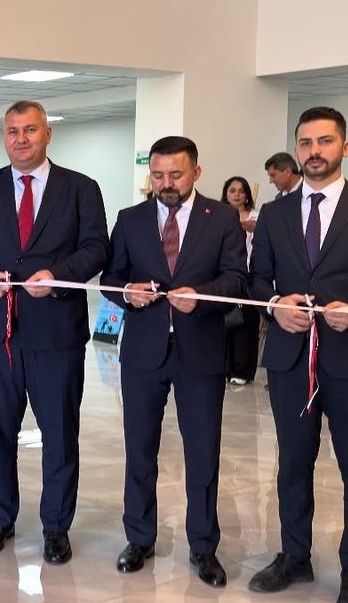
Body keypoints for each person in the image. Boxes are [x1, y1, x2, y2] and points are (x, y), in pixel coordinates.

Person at [247, 107, 348, 602]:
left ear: (345, 147)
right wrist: (275, 304)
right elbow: (257, 280)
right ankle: (294, 556)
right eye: (306, 142)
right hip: (291, 359)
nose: (314, 151)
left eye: (325, 141)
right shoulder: (274, 213)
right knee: (293, 464)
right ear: (297, 149)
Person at [0, 100, 109, 564]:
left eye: (29, 130)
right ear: (3, 137)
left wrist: (59, 275)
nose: (20, 139)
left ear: (48, 134)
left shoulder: (81, 188)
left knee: (59, 433)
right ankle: (0, 519)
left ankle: (56, 526)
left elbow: (97, 248)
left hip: (56, 333)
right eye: (12, 131)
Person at [101, 137, 246, 588]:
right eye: (158, 175)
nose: (165, 184)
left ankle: (203, 546)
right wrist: (126, 293)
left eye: (176, 175)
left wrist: (201, 298)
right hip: (143, 352)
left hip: (200, 351)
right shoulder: (130, 219)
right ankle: (139, 538)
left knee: (202, 453)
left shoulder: (222, 219)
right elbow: (111, 278)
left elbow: (236, 280)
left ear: (196, 173)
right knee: (139, 448)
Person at [220, 175, 260, 385]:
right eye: (232, 190)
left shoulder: (256, 216)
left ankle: (242, 370)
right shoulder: (218, 215)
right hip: (225, 276)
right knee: (225, 322)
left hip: (250, 277)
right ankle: (224, 366)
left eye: (241, 191)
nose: (237, 195)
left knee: (246, 324)